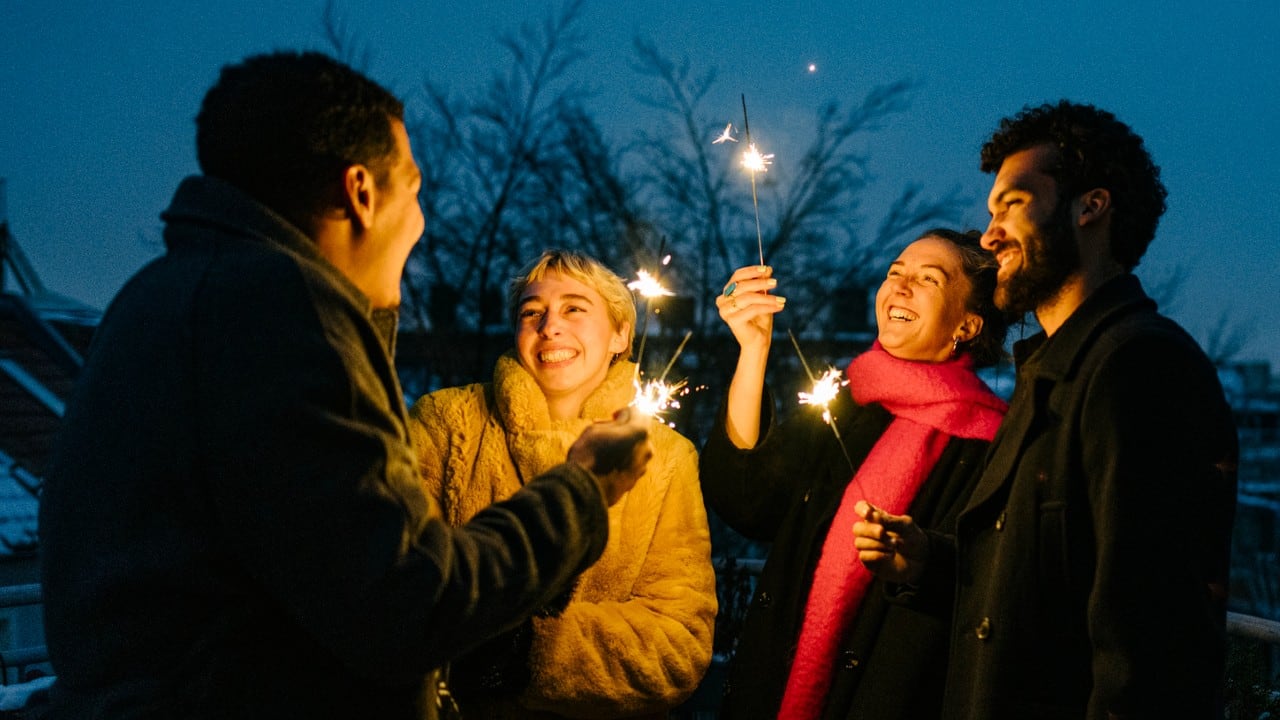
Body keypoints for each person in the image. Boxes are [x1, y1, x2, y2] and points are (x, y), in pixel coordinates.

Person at [37, 52, 654, 720]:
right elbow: (407, 601)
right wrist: (583, 490)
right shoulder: (279, 310)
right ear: (360, 192)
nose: (420, 222)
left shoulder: (160, 298)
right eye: (413, 189)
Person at [854, 101, 1239, 719]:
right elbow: (1051, 584)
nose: (989, 234)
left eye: (1013, 204)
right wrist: (933, 562)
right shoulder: (1048, 375)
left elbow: (1152, 649)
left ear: (1091, 206)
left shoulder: (1141, 367)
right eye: (990, 212)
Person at [699, 228, 1010, 720]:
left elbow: (1005, 587)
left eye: (927, 279)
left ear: (968, 325)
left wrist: (925, 561)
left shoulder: (991, 444)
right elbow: (747, 499)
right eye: (894, 273)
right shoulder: (844, 405)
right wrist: (753, 349)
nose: (900, 287)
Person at [407, 249, 717, 719]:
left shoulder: (665, 457)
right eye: (532, 311)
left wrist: (525, 650)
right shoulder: (448, 424)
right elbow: (399, 582)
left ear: (619, 335)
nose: (549, 326)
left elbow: (679, 646)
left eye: (574, 307)